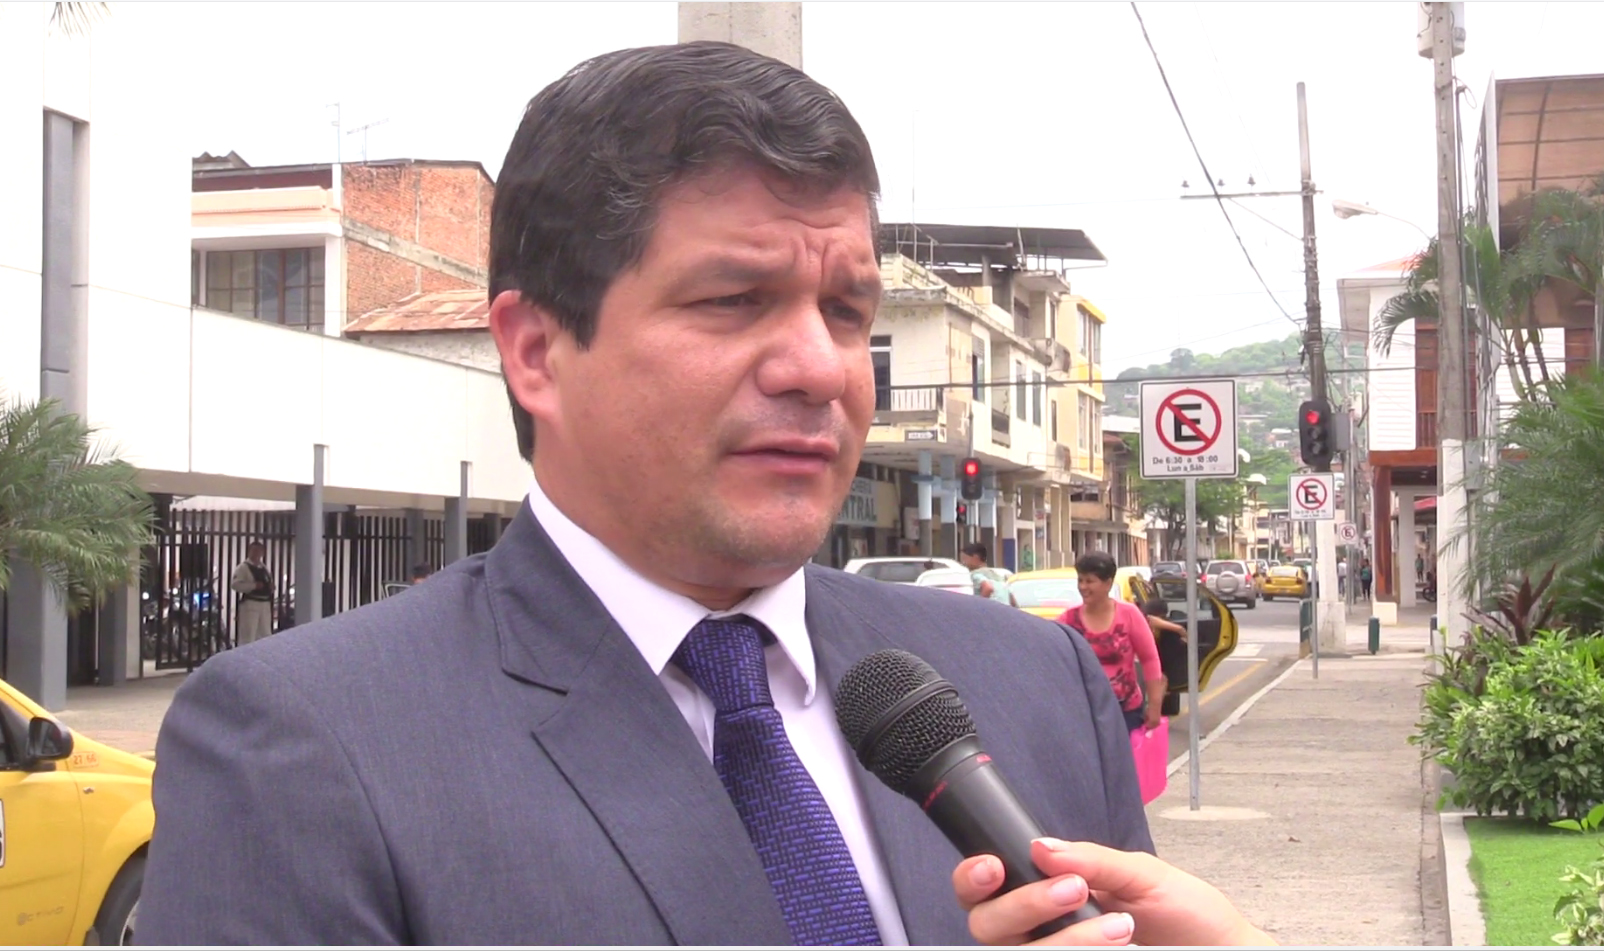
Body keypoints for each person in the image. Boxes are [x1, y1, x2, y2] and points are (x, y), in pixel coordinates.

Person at [137, 42, 1182, 947]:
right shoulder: (306, 746)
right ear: (537, 351)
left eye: (846, 309)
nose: (818, 367)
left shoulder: (1028, 685)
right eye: (734, 301)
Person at [1055, 552, 1166, 733]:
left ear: (1108, 583)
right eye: (1080, 580)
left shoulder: (1129, 614)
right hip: (1083, 714)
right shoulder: (1068, 619)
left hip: (1126, 713)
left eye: (1090, 581)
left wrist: (1154, 706)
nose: (1083, 587)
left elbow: (1149, 659)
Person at [228, 542, 273, 647]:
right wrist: (253, 586)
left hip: (264, 604)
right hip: (251, 604)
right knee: (248, 635)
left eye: (259, 551)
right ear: (249, 552)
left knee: (265, 634)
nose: (257, 553)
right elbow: (235, 585)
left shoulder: (264, 568)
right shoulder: (243, 568)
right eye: (254, 551)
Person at [959, 542, 1018, 607]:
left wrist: (978, 606)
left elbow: (988, 588)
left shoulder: (976, 574)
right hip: (1005, 611)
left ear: (975, 557)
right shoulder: (997, 575)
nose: (963, 563)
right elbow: (1013, 601)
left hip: (992, 611)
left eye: (965, 559)